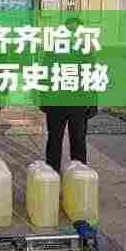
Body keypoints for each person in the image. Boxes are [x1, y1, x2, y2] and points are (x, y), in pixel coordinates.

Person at [40, 16, 98, 173]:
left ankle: (78, 175)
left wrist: (93, 103)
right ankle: (52, 174)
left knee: (78, 139)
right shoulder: (53, 50)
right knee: (54, 139)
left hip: (78, 103)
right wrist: (43, 99)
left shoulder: (86, 52)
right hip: (56, 103)